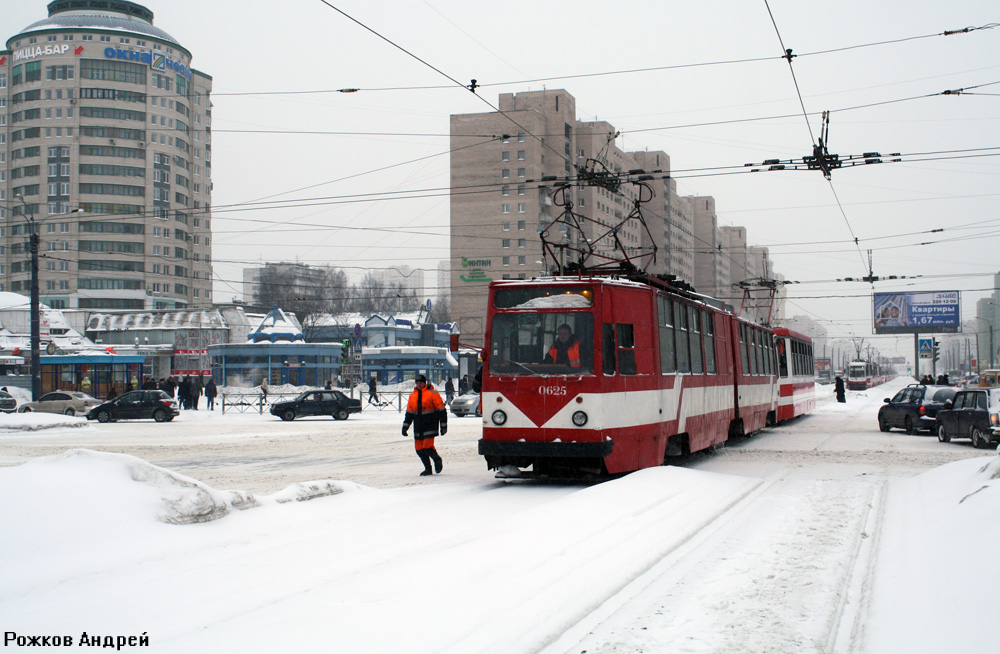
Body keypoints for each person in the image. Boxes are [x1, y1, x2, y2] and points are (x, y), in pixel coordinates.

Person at [402, 374, 447, 477]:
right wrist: (405, 426)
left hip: (430, 424)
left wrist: (443, 425)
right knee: (419, 449)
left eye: (421, 383)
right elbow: (409, 413)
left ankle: (437, 459)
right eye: (417, 383)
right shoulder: (412, 396)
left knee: (427, 446)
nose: (419, 385)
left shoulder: (433, 394)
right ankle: (428, 469)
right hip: (418, 425)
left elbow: (442, 411)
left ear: (425, 383)